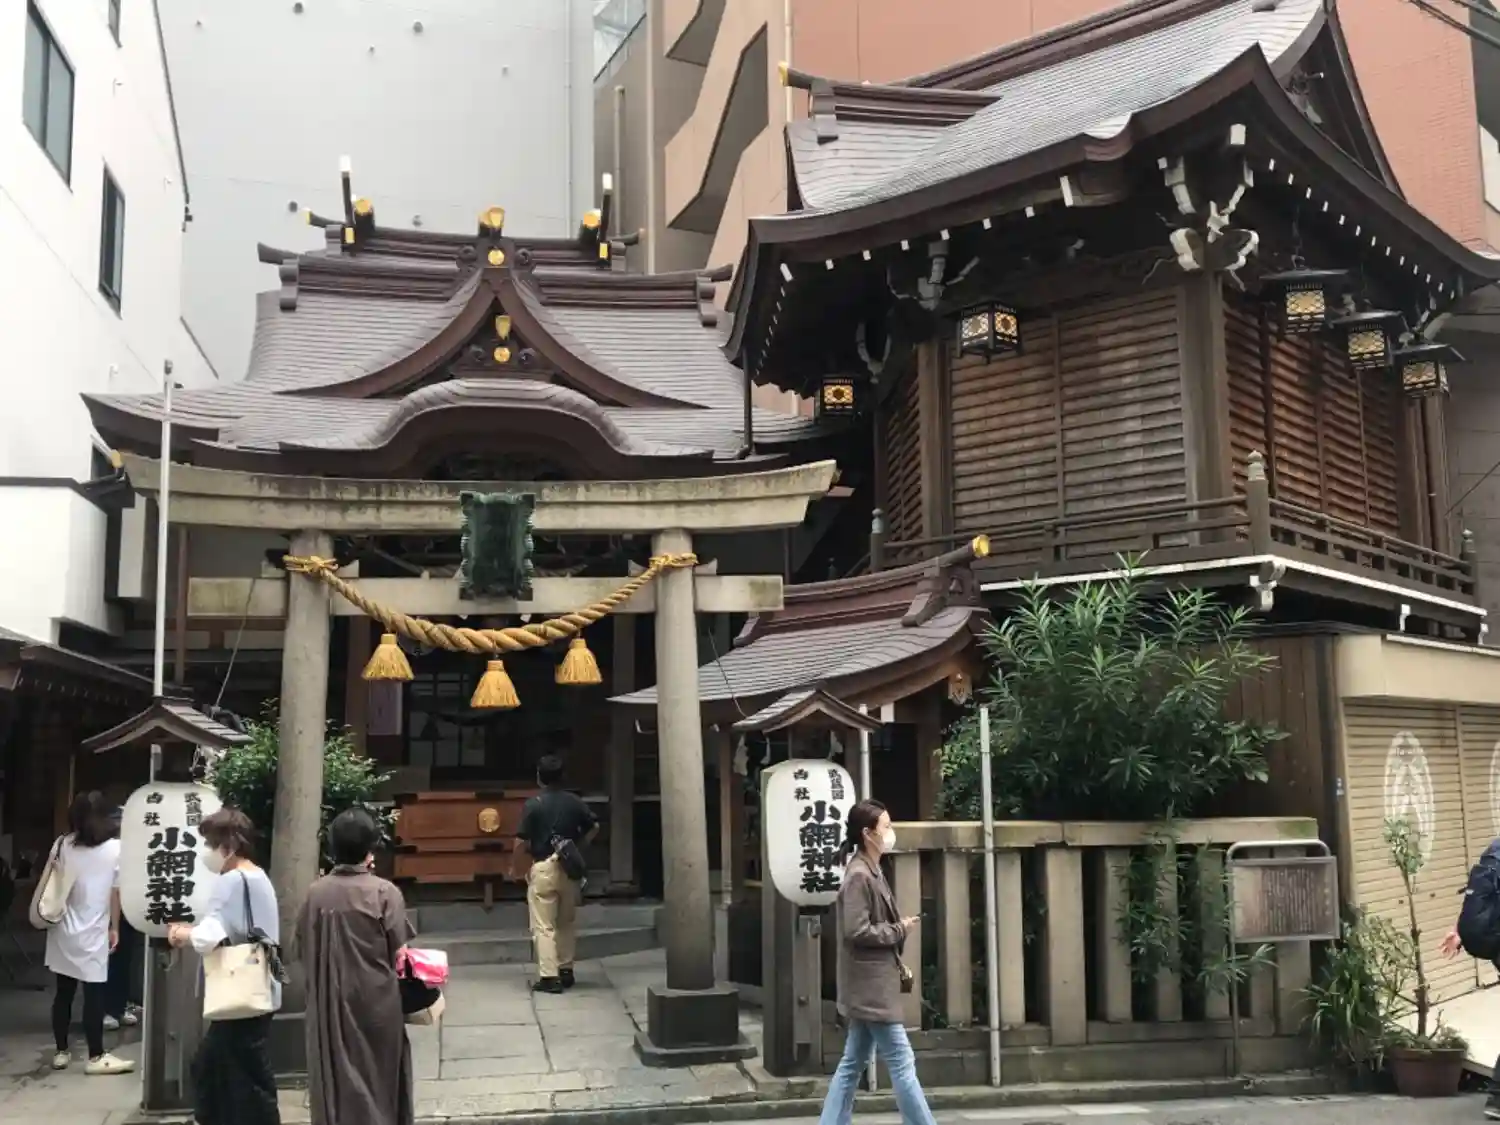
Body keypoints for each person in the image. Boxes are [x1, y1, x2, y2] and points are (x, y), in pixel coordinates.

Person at [817, 799, 935, 1125]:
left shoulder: (871, 869)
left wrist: (899, 927)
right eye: (886, 826)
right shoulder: (860, 875)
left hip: (868, 985)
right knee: (901, 1060)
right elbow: (856, 930)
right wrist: (899, 929)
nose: (890, 832)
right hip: (871, 989)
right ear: (868, 834)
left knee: (852, 1062)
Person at [296, 807, 414, 1125]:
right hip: (376, 1002)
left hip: (329, 1002)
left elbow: (300, 947)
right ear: (370, 848)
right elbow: (401, 955)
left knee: (334, 1081)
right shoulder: (384, 893)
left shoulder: (315, 894)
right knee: (381, 1080)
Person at [166, 807, 282, 1125]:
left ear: (228, 845)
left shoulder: (231, 881)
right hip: (261, 983)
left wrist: (181, 934)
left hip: (239, 989)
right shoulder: (257, 876)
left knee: (231, 1071)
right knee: (229, 1067)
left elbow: (210, 936)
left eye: (210, 843)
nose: (207, 851)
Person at [44, 791, 135, 1075]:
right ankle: (95, 1056)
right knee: (94, 994)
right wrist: (114, 927)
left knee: (63, 993)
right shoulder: (116, 849)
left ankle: (61, 1051)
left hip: (62, 928)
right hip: (94, 929)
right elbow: (115, 893)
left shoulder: (63, 844)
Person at [510, 754, 598, 993]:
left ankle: (550, 976)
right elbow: (594, 826)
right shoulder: (574, 802)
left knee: (544, 925)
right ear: (563, 776)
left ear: (539, 777)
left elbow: (521, 841)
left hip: (543, 866)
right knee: (566, 921)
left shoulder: (534, 804)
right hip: (569, 866)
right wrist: (577, 847)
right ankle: (566, 968)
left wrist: (515, 867)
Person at [103, 805, 139, 1032]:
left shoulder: (132, 847)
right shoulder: (109, 847)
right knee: (111, 961)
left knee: (125, 961)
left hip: (128, 909)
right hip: (107, 909)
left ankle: (120, 1006)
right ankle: (107, 1009)